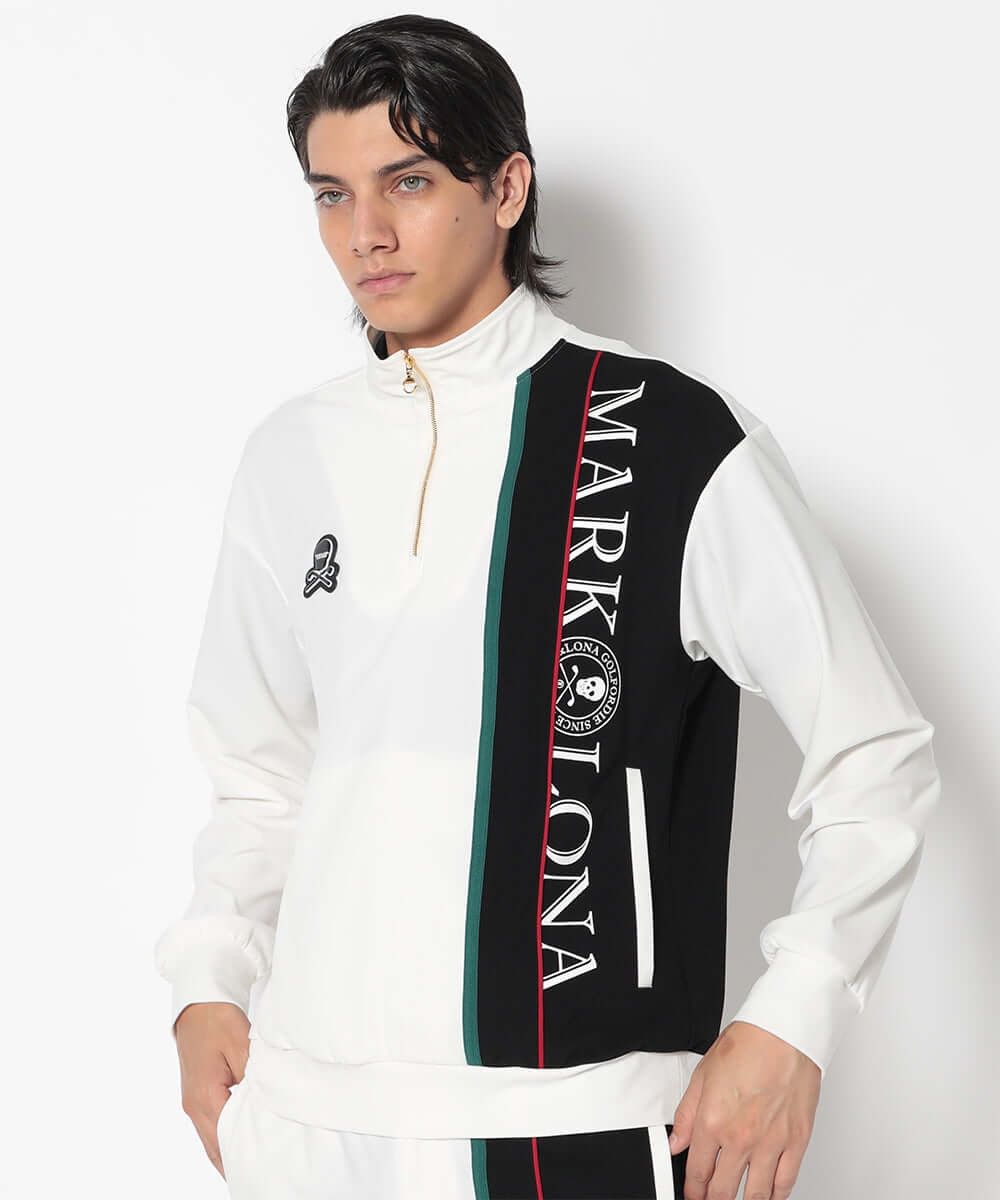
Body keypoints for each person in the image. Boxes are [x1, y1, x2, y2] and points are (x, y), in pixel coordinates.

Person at [153, 14, 941, 1200]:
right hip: (311, 1129)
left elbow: (874, 749)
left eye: (408, 182)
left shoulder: (666, 437)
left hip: (574, 1125)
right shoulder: (290, 456)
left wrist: (796, 1016)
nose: (364, 234)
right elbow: (260, 767)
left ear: (506, 187)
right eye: (330, 195)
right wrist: (209, 979)